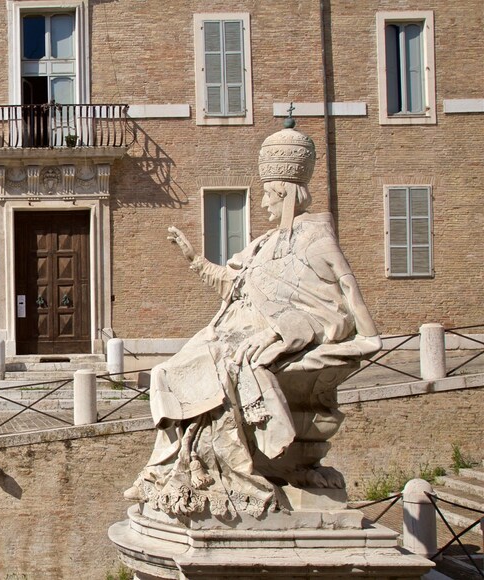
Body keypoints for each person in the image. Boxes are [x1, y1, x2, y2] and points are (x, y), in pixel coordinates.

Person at [123, 120, 381, 519]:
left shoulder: (315, 238)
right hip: (233, 328)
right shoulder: (264, 244)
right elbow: (236, 285)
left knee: (218, 367)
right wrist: (194, 259)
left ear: (287, 195)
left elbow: (340, 296)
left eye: (268, 196)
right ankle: (169, 468)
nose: (262, 205)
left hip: (263, 335)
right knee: (165, 373)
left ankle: (215, 471)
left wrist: (367, 336)